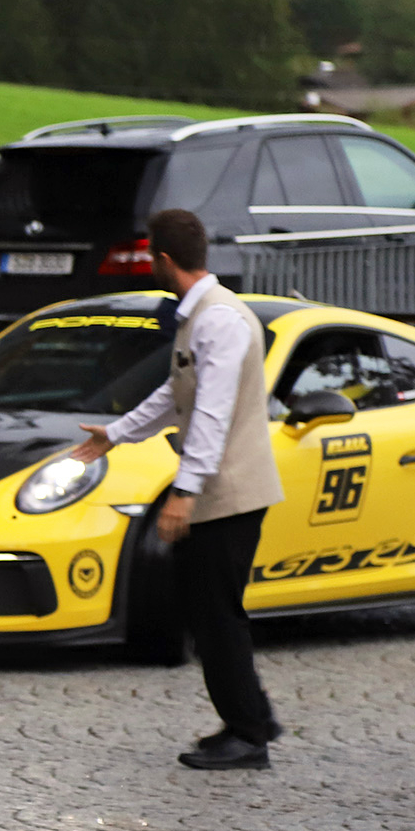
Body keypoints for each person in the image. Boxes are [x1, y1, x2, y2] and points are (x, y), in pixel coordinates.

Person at [67, 209, 285, 769]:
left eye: (150, 259)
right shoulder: (200, 317)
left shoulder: (219, 320)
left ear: (162, 259)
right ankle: (253, 716)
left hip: (229, 493)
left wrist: (183, 493)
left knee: (216, 613)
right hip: (219, 489)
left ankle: (248, 735)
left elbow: (210, 415)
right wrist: (115, 435)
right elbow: (175, 391)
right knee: (206, 606)